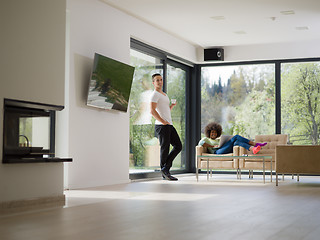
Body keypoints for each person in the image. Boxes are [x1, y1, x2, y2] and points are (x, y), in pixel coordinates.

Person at [150, 73, 182, 181]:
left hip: (169, 124)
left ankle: (165, 169)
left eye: (161, 79)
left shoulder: (164, 95)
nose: (159, 82)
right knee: (165, 148)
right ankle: (165, 172)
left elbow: (164, 110)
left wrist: (171, 107)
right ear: (153, 83)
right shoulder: (154, 94)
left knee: (178, 146)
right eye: (157, 80)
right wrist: (163, 121)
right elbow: (152, 111)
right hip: (162, 126)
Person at [199, 122, 267, 154]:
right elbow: (201, 143)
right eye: (212, 132)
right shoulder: (206, 139)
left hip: (224, 149)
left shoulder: (218, 139)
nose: (214, 134)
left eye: (215, 132)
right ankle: (255, 144)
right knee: (236, 137)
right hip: (217, 152)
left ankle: (253, 149)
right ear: (209, 132)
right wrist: (212, 146)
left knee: (237, 142)